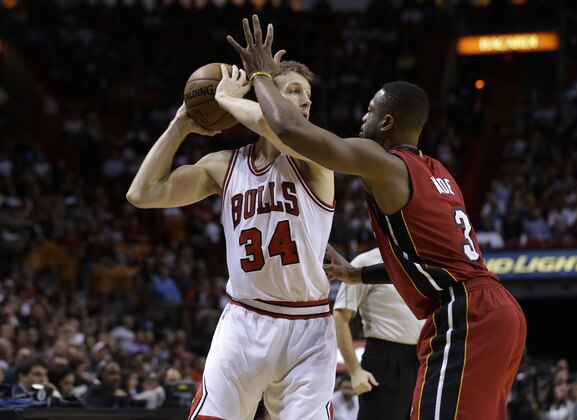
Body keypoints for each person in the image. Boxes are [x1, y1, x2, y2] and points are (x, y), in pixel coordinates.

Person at [227, 15, 527, 420]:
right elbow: (433, 262)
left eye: (369, 112)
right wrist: (357, 275)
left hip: (465, 313)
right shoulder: (440, 173)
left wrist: (260, 74)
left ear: (386, 123)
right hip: (496, 308)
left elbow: (291, 131)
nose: (362, 120)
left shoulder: (383, 161)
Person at [127, 59, 337, 419]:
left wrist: (226, 99)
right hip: (244, 319)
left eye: (309, 95)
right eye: (294, 91)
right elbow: (143, 193)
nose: (306, 102)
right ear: (266, 95)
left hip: (308, 327)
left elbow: (275, 128)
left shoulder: (314, 157)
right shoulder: (223, 166)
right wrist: (180, 126)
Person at [331, 247, 424, 420]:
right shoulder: (364, 262)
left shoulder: (424, 261)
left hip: (423, 360)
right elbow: (340, 316)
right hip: (385, 360)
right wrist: (354, 370)